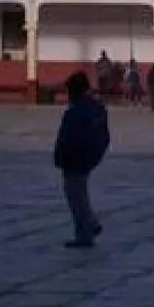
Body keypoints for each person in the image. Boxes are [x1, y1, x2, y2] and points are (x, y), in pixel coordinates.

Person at [53, 72, 110, 248]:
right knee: (80, 193)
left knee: (75, 196)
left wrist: (61, 156)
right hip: (89, 157)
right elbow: (105, 136)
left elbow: (68, 138)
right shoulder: (97, 109)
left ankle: (85, 232)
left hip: (75, 158)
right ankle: (91, 223)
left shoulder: (76, 112)